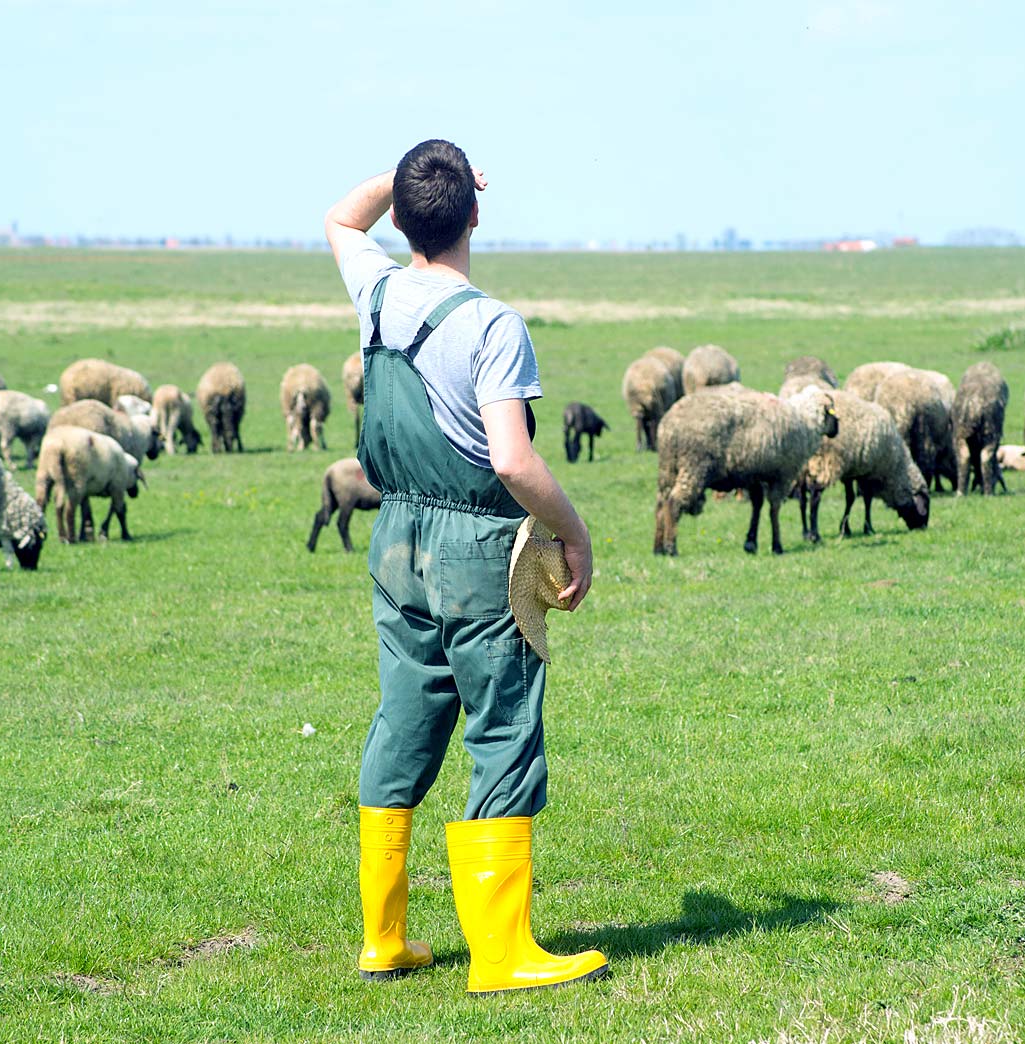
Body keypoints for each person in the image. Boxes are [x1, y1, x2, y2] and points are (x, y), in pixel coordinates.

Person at [324, 140, 608, 995]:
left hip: (396, 541)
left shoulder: (375, 289)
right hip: (479, 548)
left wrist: (408, 179)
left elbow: (342, 216)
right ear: (476, 215)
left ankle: (385, 939)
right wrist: (575, 532)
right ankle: (503, 954)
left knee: (403, 722)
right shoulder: (492, 324)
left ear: (404, 218)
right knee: (505, 731)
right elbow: (513, 463)